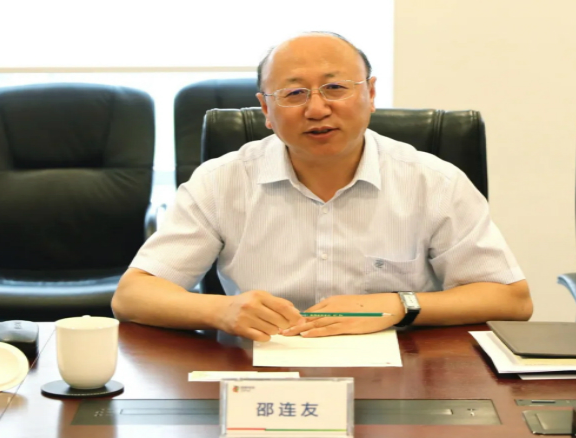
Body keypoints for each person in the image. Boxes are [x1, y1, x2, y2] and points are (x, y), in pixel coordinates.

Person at [112, 32, 532, 341]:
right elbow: (132, 296)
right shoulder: (221, 182)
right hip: (260, 370)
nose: (316, 109)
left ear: (370, 94)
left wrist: (398, 303)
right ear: (266, 110)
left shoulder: (433, 181)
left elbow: (510, 299)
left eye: (335, 88)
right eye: (294, 93)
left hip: (402, 368)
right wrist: (221, 310)